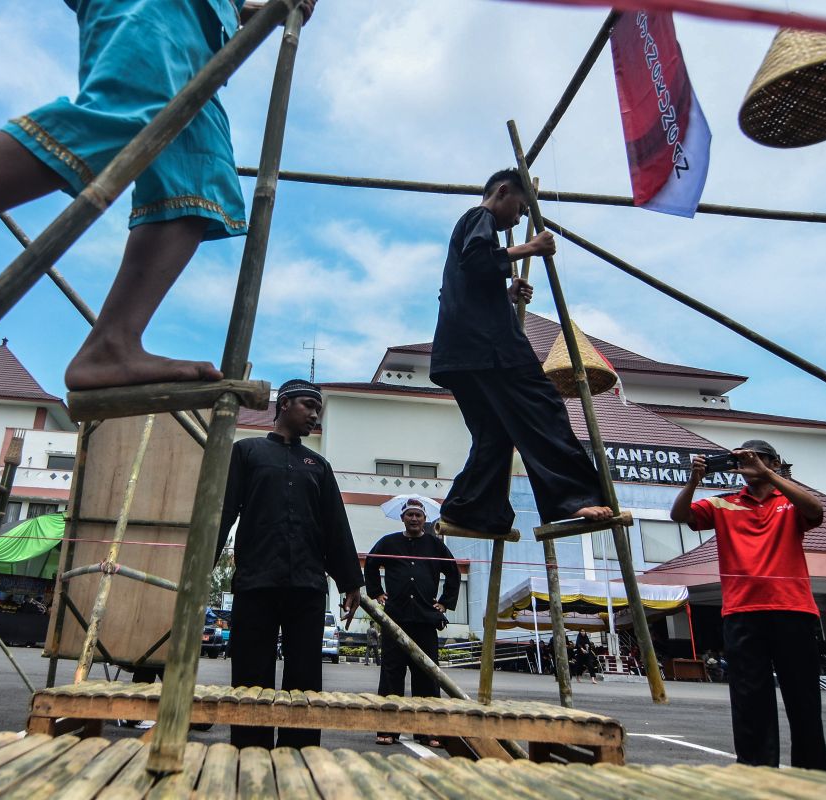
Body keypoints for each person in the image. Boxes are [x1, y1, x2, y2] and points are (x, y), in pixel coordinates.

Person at [0, 0, 316, 387]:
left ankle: (113, 343)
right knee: (130, 113)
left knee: (198, 175)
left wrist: (254, 12)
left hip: (206, 19)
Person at [429, 169, 613, 539]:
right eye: (521, 208)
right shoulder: (477, 217)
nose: (519, 218)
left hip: (461, 353)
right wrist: (531, 247)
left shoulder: (466, 234)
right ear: (503, 191)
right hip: (489, 348)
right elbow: (478, 261)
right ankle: (572, 496)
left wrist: (506, 294)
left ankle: (470, 510)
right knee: (542, 407)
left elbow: (470, 278)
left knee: (495, 433)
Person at [216, 379, 363, 749]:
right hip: (256, 582)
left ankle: (299, 749)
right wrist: (201, 566)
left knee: (305, 674)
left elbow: (335, 526)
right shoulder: (247, 452)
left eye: (318, 409)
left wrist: (350, 582)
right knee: (251, 672)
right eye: (308, 405)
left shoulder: (318, 465)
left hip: (307, 586)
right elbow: (222, 512)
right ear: (283, 405)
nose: (314, 414)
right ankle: (250, 746)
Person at [670, 440, 826, 770]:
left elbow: (816, 511)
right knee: (749, 701)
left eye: (755, 458)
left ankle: (813, 777)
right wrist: (694, 480)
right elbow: (679, 514)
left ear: (772, 461)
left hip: (792, 610)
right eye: (741, 459)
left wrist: (770, 475)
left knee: (804, 700)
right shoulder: (724, 504)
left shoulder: (790, 502)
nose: (748, 464)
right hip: (742, 613)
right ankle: (756, 772)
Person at [365, 498, 460, 747]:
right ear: (403, 518)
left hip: (425, 621)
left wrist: (445, 602)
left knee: (426, 676)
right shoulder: (389, 542)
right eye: (410, 515)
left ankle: (427, 731)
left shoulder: (435, 545)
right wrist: (377, 592)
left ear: (425, 519)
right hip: (395, 620)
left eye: (418, 515)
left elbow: (453, 573)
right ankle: (387, 729)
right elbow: (371, 563)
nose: (414, 519)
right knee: (391, 674)